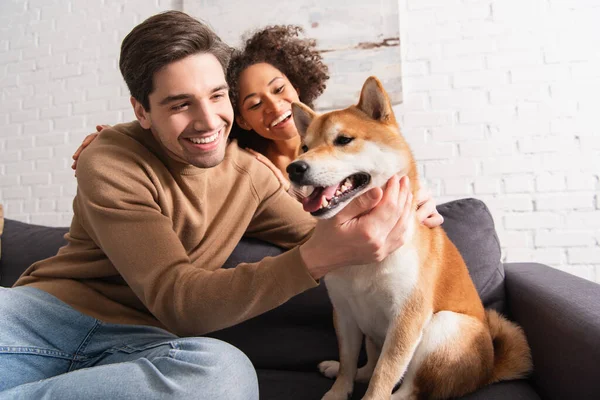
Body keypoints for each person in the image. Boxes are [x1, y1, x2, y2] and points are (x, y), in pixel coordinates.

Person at [1, 11, 427, 399]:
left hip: (139, 348)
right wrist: (313, 259)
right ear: (142, 111)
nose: (208, 121)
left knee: (222, 375)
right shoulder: (110, 157)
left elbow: (331, 227)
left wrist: (404, 209)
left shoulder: (252, 177)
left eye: (218, 96)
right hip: (40, 319)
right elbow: (177, 300)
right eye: (180, 104)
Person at [72, 25, 443, 227]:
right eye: (253, 103)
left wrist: (417, 204)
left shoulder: (352, 140)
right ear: (241, 117)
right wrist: (121, 139)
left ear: (297, 84)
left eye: (280, 89)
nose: (275, 106)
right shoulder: (242, 169)